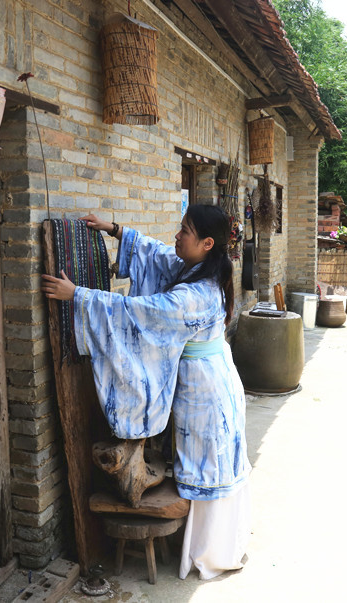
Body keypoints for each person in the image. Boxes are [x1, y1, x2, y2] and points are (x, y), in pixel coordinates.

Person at [41, 205, 251, 580]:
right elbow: (158, 254)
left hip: (208, 392)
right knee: (206, 462)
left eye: (185, 230)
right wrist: (116, 230)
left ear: (206, 243)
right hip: (207, 378)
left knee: (210, 465)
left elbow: (141, 312)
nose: (177, 235)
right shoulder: (200, 268)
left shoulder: (197, 293)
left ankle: (211, 551)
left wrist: (79, 296)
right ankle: (209, 544)